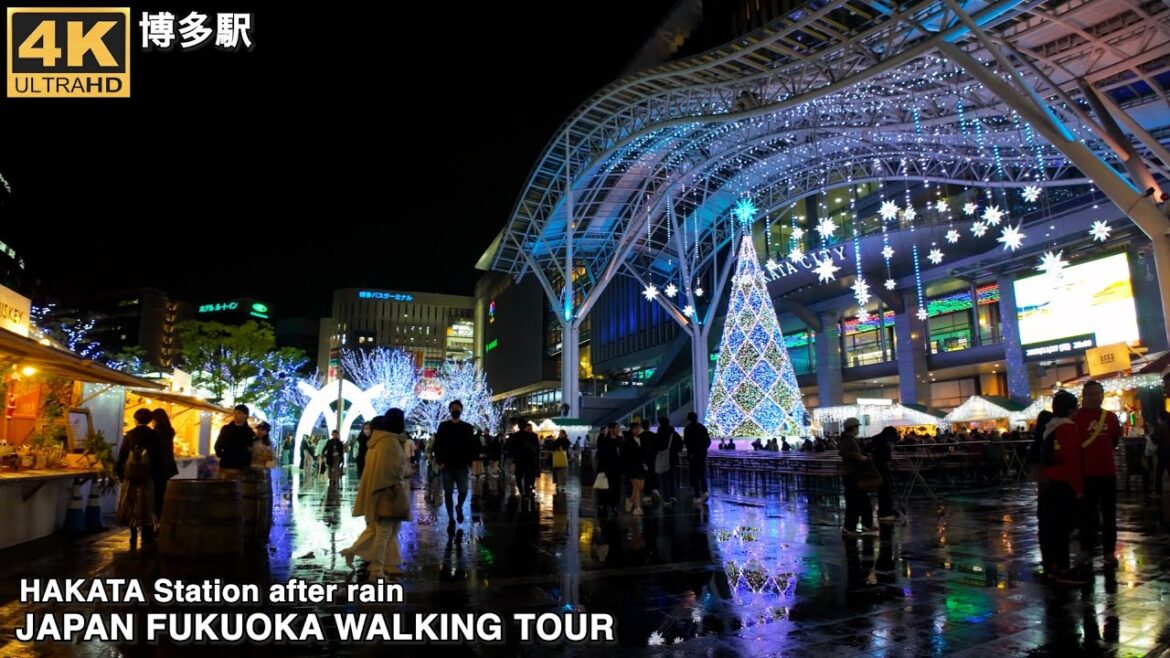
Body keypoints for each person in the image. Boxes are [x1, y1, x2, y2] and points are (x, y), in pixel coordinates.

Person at [342, 410, 411, 580]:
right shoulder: (389, 442)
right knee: (384, 532)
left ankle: (354, 553)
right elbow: (391, 470)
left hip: (381, 492)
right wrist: (398, 480)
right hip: (387, 494)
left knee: (381, 530)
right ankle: (376, 570)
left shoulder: (380, 441)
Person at [1038, 390, 1087, 584]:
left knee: (1051, 526)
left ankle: (1052, 566)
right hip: (1063, 482)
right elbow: (1072, 461)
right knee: (1062, 528)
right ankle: (1063, 568)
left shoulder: (1049, 427)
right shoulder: (1068, 428)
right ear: (1071, 409)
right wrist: (1079, 488)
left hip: (1050, 481)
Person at [1074, 380, 1123, 571]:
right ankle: (1086, 550)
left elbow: (1114, 441)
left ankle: (1109, 552)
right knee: (1086, 515)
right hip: (1086, 474)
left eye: (1098, 393)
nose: (1095, 397)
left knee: (1109, 514)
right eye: (1091, 394)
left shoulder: (1110, 417)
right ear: (1084, 397)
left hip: (1107, 473)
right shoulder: (1076, 417)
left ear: (1103, 395)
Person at [116, 409, 164, 551]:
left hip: (131, 477)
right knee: (147, 504)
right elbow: (158, 458)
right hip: (148, 477)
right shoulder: (154, 436)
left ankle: (133, 533)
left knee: (131, 503)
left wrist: (121, 474)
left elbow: (122, 456)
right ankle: (147, 534)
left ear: (135, 419)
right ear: (150, 420)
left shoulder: (130, 435)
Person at [433, 399, 477, 531]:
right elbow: (438, 445)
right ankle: (451, 518)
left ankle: (459, 507)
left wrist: (470, 461)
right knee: (448, 493)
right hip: (446, 465)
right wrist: (440, 461)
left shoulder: (467, 427)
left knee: (463, 490)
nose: (455, 410)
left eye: (457, 408)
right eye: (453, 408)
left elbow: (471, 446)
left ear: (461, 410)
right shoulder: (443, 426)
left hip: (462, 465)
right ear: (450, 410)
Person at [839, 417, 876, 537]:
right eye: (857, 427)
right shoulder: (847, 440)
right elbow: (846, 453)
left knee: (861, 501)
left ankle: (865, 524)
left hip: (853, 473)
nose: (858, 429)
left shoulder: (849, 439)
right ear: (852, 428)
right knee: (855, 501)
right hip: (852, 474)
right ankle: (850, 527)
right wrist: (860, 457)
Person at [149, 408, 179, 519]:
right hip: (167, 467)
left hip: (158, 468)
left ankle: (157, 518)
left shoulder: (157, 433)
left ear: (157, 420)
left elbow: (156, 451)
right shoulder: (169, 431)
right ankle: (161, 517)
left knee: (156, 495)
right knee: (162, 493)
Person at [214, 405, 255, 473]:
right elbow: (217, 445)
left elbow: (250, 449)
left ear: (246, 415)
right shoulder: (226, 429)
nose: (236, 415)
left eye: (239, 413)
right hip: (226, 466)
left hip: (242, 468)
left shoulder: (249, 432)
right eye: (235, 413)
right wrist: (224, 456)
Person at [595, 423, 623, 519]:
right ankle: (603, 504)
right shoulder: (604, 440)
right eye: (616, 428)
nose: (618, 429)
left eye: (618, 428)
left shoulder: (620, 440)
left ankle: (614, 505)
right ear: (611, 429)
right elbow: (601, 455)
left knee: (616, 487)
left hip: (617, 468)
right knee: (605, 487)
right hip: (606, 468)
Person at [869, 426, 897, 523]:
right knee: (885, 490)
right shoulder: (885, 442)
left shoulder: (875, 439)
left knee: (881, 491)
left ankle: (883, 511)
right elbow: (887, 458)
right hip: (882, 468)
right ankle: (885, 513)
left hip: (875, 468)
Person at [622, 422, 650, 516]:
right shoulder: (628, 440)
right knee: (636, 486)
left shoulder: (641, 439)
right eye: (635, 428)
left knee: (640, 487)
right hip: (631, 466)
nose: (637, 430)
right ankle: (637, 507)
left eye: (638, 428)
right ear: (632, 429)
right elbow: (626, 454)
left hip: (640, 466)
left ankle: (630, 501)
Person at [683, 412, 711, 503]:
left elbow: (686, 442)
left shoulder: (688, 429)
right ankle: (705, 491)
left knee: (694, 475)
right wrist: (703, 449)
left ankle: (697, 496)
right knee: (702, 473)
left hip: (693, 454)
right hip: (702, 454)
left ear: (688, 419)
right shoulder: (702, 427)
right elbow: (708, 441)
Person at [508, 419, 540, 498]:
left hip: (518, 459)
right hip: (529, 459)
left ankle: (522, 491)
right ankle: (526, 491)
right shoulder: (532, 435)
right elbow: (536, 448)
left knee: (518, 476)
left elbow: (511, 448)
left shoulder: (514, 436)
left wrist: (512, 458)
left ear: (518, 426)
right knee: (527, 476)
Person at [654, 417, 682, 506]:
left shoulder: (658, 434)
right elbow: (680, 445)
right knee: (672, 478)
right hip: (673, 459)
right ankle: (673, 496)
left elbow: (655, 447)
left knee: (664, 479)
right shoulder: (674, 434)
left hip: (662, 459)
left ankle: (666, 499)